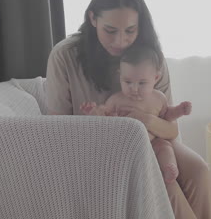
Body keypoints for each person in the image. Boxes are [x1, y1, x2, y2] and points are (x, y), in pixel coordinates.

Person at [46, 0, 211, 218]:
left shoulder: (150, 58)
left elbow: (170, 130)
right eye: (110, 30)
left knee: (199, 170)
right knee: (164, 184)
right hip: (97, 148)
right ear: (93, 18)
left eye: (130, 31)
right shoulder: (65, 55)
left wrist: (143, 119)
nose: (120, 41)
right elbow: (56, 130)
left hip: (155, 140)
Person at [79, 44, 192, 184]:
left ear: (156, 78)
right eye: (128, 82)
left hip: (153, 143)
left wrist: (179, 111)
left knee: (165, 148)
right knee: (114, 154)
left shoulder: (159, 98)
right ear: (120, 75)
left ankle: (168, 168)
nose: (134, 88)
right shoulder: (116, 100)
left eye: (142, 83)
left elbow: (167, 116)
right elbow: (103, 117)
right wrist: (94, 112)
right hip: (126, 146)